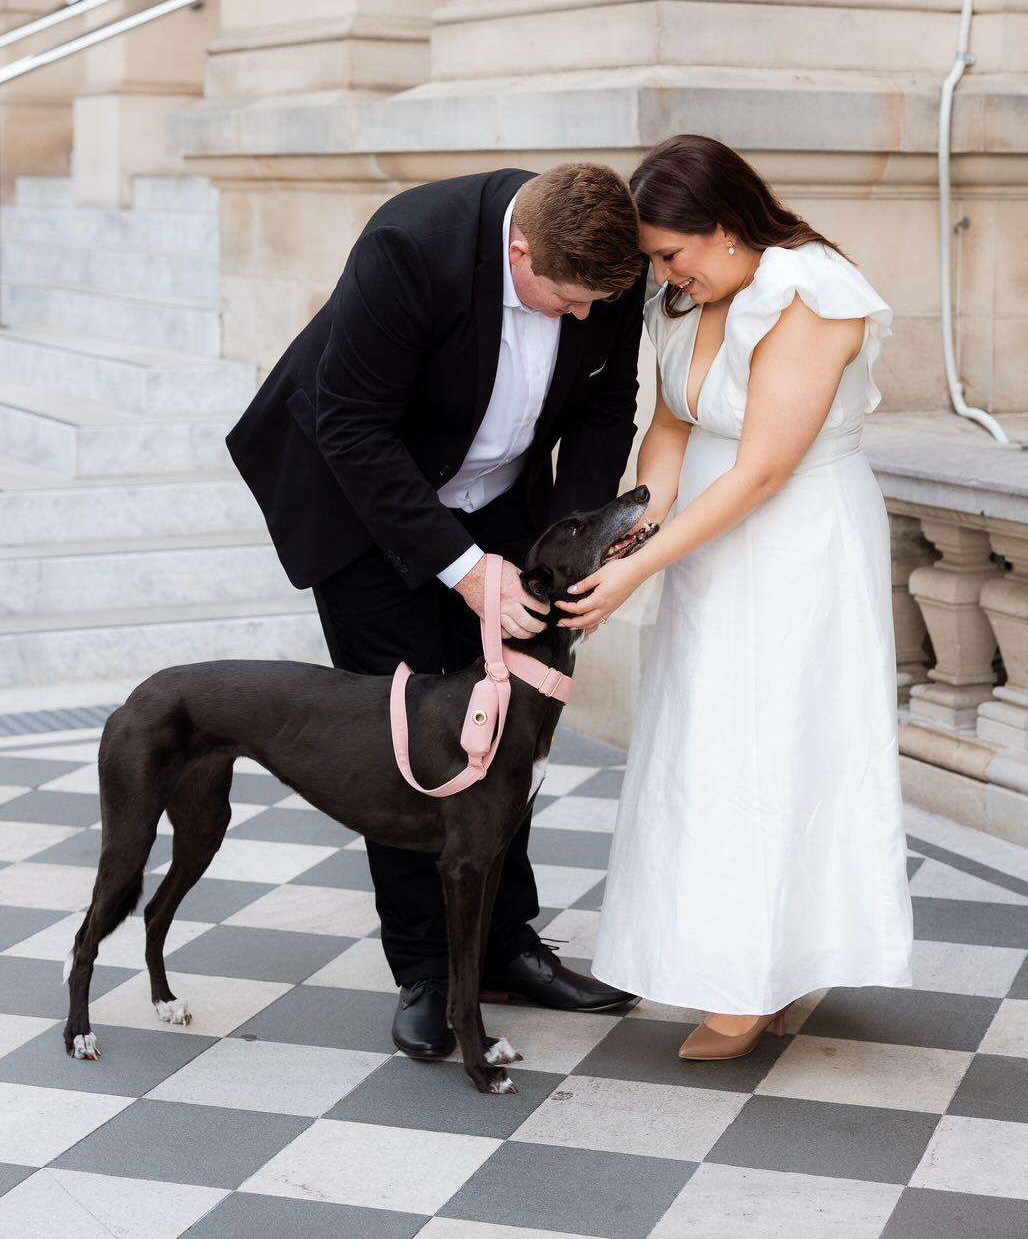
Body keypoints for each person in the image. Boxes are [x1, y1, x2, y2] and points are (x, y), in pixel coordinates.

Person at [225, 163, 646, 1058]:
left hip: (499, 501)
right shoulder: (410, 247)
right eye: (566, 299)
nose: (583, 317)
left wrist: (571, 544)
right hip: (361, 502)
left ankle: (507, 945)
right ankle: (425, 968)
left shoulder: (606, 263)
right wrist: (460, 569)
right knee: (412, 741)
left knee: (507, 731)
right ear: (519, 249)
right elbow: (350, 424)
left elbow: (608, 409)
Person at [562, 134, 915, 1061]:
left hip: (795, 538)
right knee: (702, 740)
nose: (663, 274)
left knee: (776, 744)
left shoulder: (810, 292)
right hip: (708, 538)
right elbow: (673, 421)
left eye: (672, 254)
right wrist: (646, 520)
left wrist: (637, 571)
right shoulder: (689, 293)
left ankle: (761, 973)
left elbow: (762, 470)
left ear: (723, 229)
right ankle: (730, 955)